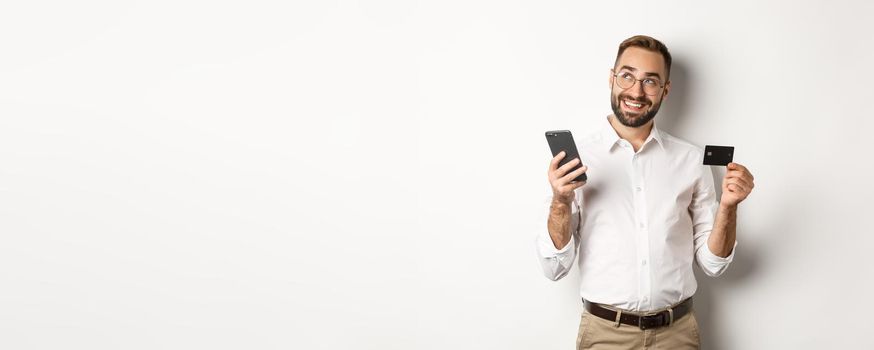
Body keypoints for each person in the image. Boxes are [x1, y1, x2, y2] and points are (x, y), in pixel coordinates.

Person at [535, 35, 755, 349]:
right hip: (605, 336)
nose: (636, 91)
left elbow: (713, 264)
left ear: (665, 90)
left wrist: (729, 206)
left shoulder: (691, 160)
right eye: (627, 76)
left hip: (676, 335)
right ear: (611, 78)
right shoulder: (576, 161)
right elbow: (554, 268)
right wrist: (560, 201)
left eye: (650, 81)